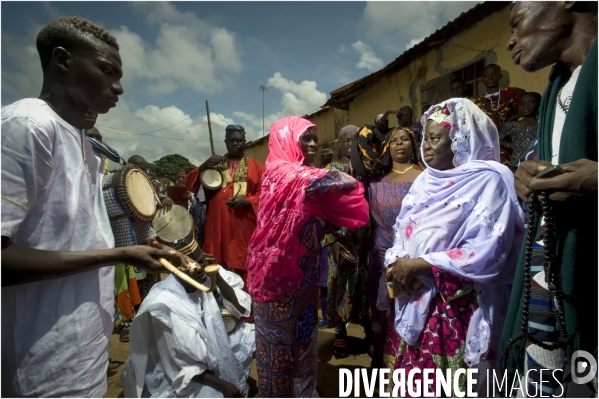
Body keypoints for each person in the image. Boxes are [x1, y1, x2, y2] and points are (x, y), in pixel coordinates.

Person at [1, 16, 191, 397]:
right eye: (107, 71)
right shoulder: (26, 126)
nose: (118, 87)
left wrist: (138, 247)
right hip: (38, 356)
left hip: (81, 348)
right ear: (63, 60)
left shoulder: (84, 145)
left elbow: (72, 236)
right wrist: (118, 253)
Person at [383, 99, 524, 395]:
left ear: (462, 139)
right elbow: (401, 232)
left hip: (457, 311)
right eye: (426, 138)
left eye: (436, 139)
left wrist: (419, 265)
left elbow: (489, 251)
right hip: (413, 300)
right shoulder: (424, 182)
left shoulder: (489, 180)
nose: (427, 146)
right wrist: (397, 261)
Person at [502, 2, 597, 396]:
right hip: (550, 292)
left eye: (516, 22)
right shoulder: (560, 86)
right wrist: (531, 175)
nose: (510, 41)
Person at [246, 116, 369, 397]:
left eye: (315, 137)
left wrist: (332, 242)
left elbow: (311, 219)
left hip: (303, 276)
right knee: (279, 353)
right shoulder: (285, 174)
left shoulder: (302, 178)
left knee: (303, 345)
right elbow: (342, 179)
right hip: (276, 280)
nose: (313, 143)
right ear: (287, 139)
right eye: (306, 138)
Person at [121, 246, 255, 398]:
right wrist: (223, 385)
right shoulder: (163, 305)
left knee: (253, 337)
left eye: (201, 261)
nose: (199, 267)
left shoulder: (205, 275)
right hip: (179, 373)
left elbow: (241, 308)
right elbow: (178, 364)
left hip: (210, 351)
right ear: (176, 270)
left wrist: (217, 277)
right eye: (191, 264)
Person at [361, 126, 423, 370]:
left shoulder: (424, 176)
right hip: (379, 254)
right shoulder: (375, 179)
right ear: (387, 147)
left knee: (409, 307)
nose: (399, 144)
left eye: (405, 139)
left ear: (412, 144)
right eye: (394, 140)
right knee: (381, 310)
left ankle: (406, 362)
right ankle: (380, 359)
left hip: (412, 255)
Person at [185, 124, 265, 291]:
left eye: (239, 140)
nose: (235, 143)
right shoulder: (215, 164)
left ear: (244, 142)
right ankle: (218, 305)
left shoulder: (257, 167)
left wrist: (248, 201)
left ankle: (244, 306)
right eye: (232, 140)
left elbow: (265, 194)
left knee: (243, 261)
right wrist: (205, 164)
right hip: (217, 224)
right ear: (226, 142)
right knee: (215, 263)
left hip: (243, 226)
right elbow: (189, 183)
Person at [321, 124, 371, 358]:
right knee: (339, 284)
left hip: (366, 239)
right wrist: (330, 240)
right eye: (346, 139)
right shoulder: (331, 169)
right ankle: (340, 332)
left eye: (355, 139)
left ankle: (370, 331)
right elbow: (323, 208)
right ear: (339, 143)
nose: (350, 143)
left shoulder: (368, 166)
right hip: (341, 237)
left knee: (366, 285)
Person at [474, 63, 525, 165]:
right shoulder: (477, 102)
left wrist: (510, 123)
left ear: (500, 76)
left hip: (511, 141)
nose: (490, 78)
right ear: (482, 79)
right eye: (486, 76)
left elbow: (525, 112)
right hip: (487, 145)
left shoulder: (513, 93)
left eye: (493, 74)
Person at [498, 92, 541, 171]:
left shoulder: (542, 124)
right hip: (516, 164)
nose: (526, 106)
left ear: (539, 105)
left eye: (531, 102)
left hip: (537, 164)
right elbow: (497, 139)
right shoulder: (513, 125)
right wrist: (509, 144)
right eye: (522, 104)